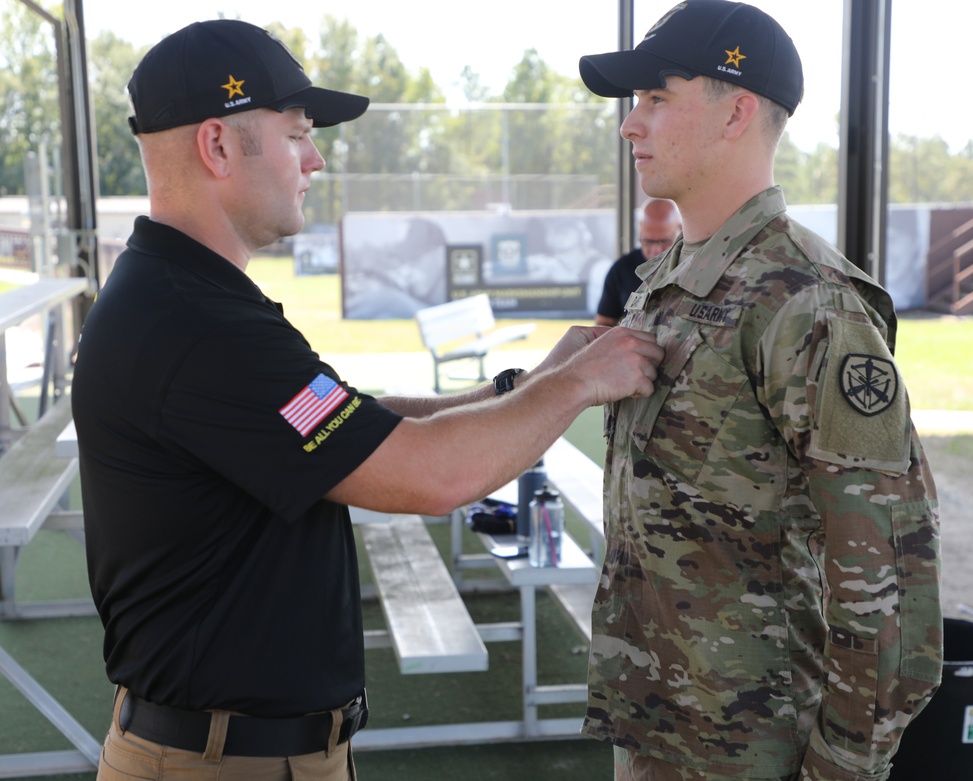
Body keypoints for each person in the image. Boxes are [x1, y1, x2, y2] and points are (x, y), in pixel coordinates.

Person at [71, 19, 665, 781]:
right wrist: (581, 382)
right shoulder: (194, 324)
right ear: (217, 146)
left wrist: (523, 385)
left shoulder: (186, 296)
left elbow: (358, 423)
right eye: (296, 135)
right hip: (219, 760)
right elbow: (427, 475)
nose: (315, 159)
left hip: (247, 746)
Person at [577, 2, 942, 780]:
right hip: (659, 723)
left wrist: (840, 767)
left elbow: (890, 581)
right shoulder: (670, 281)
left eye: (655, 99)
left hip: (755, 748)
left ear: (736, 111)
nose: (628, 126)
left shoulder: (807, 301)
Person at [595, 198, 682, 325]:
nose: (656, 250)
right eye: (648, 241)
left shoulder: (694, 265)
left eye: (664, 241)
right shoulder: (622, 269)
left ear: (680, 230)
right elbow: (603, 324)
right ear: (641, 230)